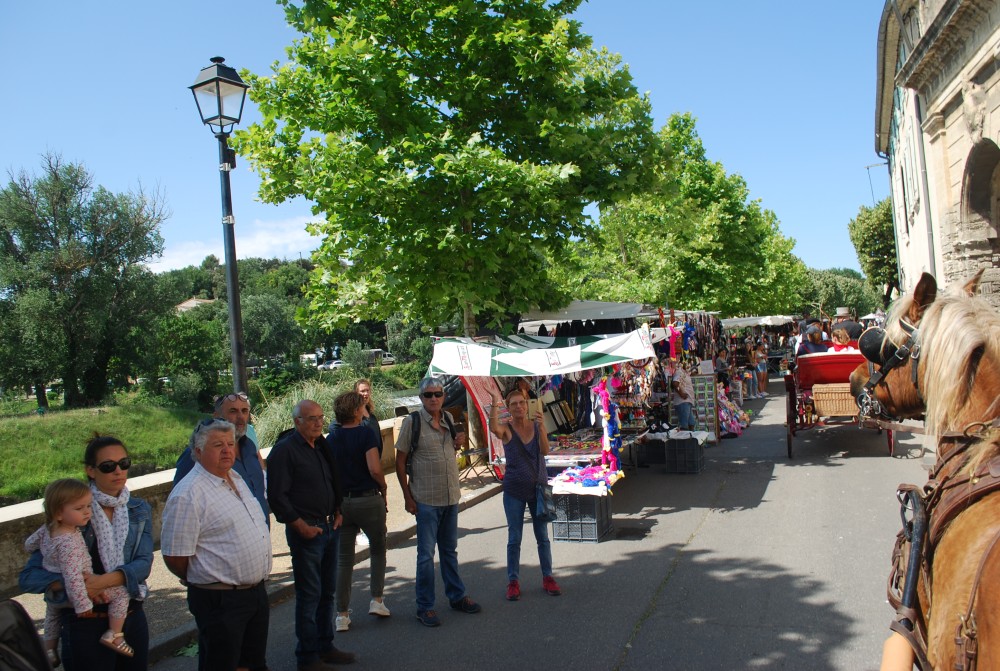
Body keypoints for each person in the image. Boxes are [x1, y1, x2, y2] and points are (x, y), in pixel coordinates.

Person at [19, 434, 153, 671]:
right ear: (91, 470)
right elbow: (29, 577)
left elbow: (144, 562)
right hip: (85, 622)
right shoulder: (72, 511)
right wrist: (72, 583)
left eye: (124, 464)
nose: (119, 471)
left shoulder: (138, 509)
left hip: (130, 616)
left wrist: (101, 582)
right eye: (108, 466)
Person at [161, 420, 272, 671]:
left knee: (252, 663)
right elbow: (175, 557)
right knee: (221, 664)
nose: (227, 450)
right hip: (220, 600)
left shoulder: (234, 477)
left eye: (230, 444)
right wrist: (205, 577)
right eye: (218, 445)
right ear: (198, 452)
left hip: (253, 594)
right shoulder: (188, 494)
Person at [268, 399, 356, 671]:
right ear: (297, 422)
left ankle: (325, 646)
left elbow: (333, 480)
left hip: (330, 527)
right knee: (309, 596)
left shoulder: (321, 445)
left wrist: (338, 509)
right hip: (307, 532)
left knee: (326, 592)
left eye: (320, 417)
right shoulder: (285, 451)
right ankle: (307, 657)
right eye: (312, 418)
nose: (318, 422)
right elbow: (277, 497)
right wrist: (300, 526)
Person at [394, 377, 480, 627]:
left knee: (449, 551)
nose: (433, 398)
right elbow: (400, 462)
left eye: (437, 394)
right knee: (425, 556)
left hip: (450, 496)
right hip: (425, 499)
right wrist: (407, 497)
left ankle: (456, 596)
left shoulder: (448, 419)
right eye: (428, 394)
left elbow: (446, 454)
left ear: (443, 396)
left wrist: (456, 443)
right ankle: (425, 606)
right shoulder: (413, 422)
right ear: (421, 398)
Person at [26, 479, 133, 667]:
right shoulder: (69, 542)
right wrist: (83, 604)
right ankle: (114, 634)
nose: (87, 512)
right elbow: (72, 576)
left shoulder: (48, 529)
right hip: (78, 592)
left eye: (89, 506)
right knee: (122, 595)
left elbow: (29, 544)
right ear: (59, 513)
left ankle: (49, 649)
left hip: (54, 593)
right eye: (79, 508)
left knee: (52, 617)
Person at [486, 387, 560, 602]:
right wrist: (493, 403)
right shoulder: (507, 429)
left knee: (543, 537)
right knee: (514, 538)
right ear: (508, 409)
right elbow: (493, 428)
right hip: (514, 491)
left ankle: (548, 577)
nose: (518, 407)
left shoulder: (537, 427)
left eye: (522, 402)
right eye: (514, 404)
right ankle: (513, 581)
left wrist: (543, 428)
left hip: (538, 489)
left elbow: (545, 451)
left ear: (527, 404)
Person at [328, 391, 390, 632]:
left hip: (343, 502)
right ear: (356, 411)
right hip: (367, 498)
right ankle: (376, 600)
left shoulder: (331, 439)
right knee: (377, 549)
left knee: (344, 560)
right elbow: (375, 468)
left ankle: (341, 614)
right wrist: (383, 487)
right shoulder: (365, 434)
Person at [174, 392, 269, 524]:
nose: (241, 417)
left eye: (244, 411)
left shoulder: (250, 447)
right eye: (233, 411)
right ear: (217, 416)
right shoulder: (198, 454)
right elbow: (182, 504)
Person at [328, 379, 384, 457]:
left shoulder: (372, 416)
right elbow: (333, 427)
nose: (366, 393)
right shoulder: (352, 415)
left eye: (368, 390)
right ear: (356, 393)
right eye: (362, 391)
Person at [669, 362, 696, 429]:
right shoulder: (679, 372)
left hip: (687, 401)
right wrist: (681, 394)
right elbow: (675, 383)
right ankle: (684, 438)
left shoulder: (685, 373)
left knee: (691, 423)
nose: (689, 366)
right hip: (683, 402)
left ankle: (691, 438)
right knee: (684, 425)